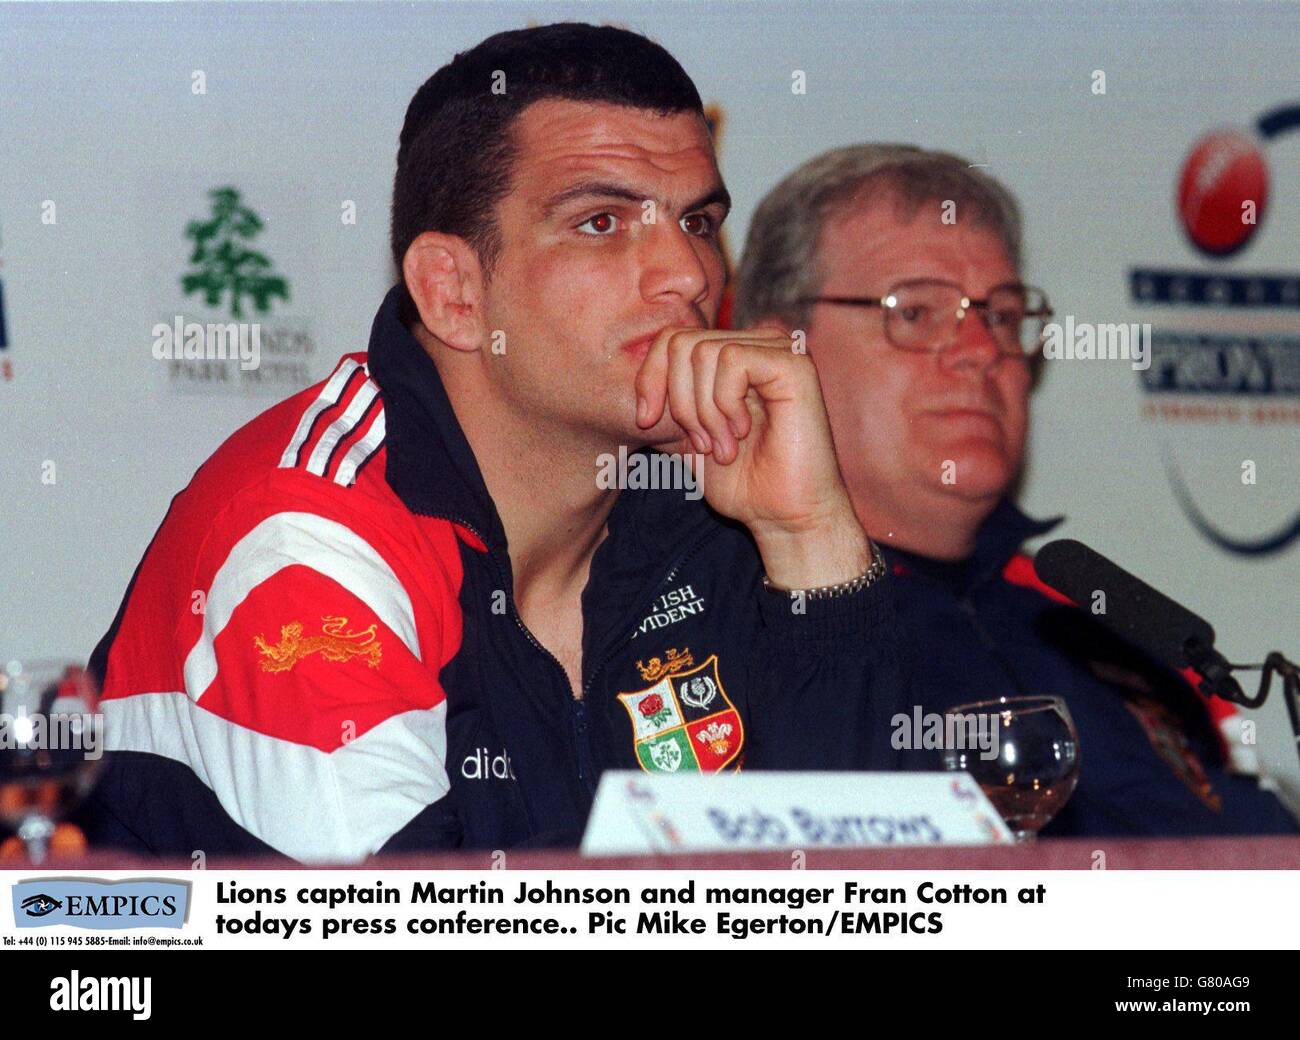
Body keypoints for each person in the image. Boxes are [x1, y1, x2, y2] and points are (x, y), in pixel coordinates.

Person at [79, 25, 901, 862]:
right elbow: (416, 924)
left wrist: (812, 542)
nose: (688, 273)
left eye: (697, 221)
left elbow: (916, 884)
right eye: (602, 222)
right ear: (453, 293)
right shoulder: (303, 535)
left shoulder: (710, 508)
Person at [734, 143, 1297, 836]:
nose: (980, 348)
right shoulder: (734, 627)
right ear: (774, 355)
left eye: (1000, 315)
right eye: (915, 312)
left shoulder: (1097, 621)